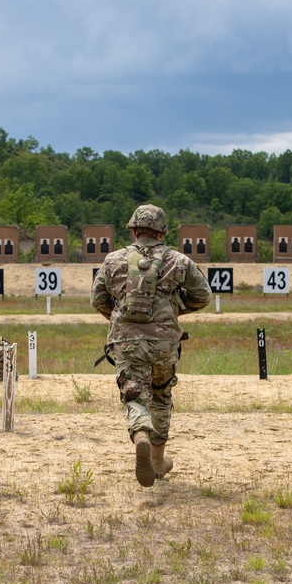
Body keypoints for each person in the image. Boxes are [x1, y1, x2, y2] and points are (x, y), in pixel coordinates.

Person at [91, 204, 211, 487]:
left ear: (133, 230)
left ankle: (141, 435)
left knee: (134, 395)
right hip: (164, 344)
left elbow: (98, 299)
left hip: (128, 343)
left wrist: (121, 319)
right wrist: (174, 310)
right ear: (161, 232)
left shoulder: (112, 260)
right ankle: (157, 460)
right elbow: (202, 295)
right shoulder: (178, 261)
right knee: (161, 395)